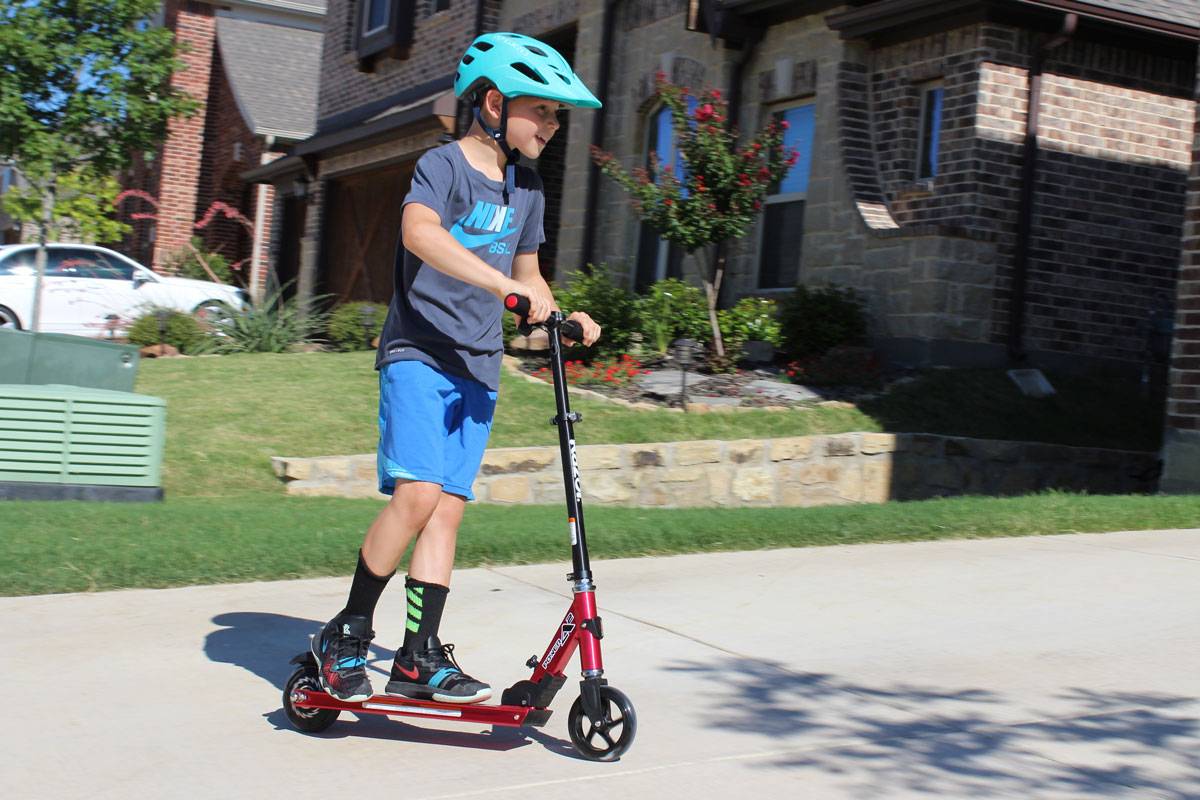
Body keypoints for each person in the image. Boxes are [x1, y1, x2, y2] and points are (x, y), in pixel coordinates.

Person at [310, 32, 603, 705]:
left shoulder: (526, 188)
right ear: (496, 103)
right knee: (415, 495)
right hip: (419, 351)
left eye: (559, 116)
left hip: (478, 363)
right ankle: (347, 632)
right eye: (545, 112)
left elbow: (529, 276)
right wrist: (501, 288)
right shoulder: (442, 167)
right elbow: (419, 233)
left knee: (445, 512)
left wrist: (562, 314)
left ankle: (417, 655)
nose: (553, 127)